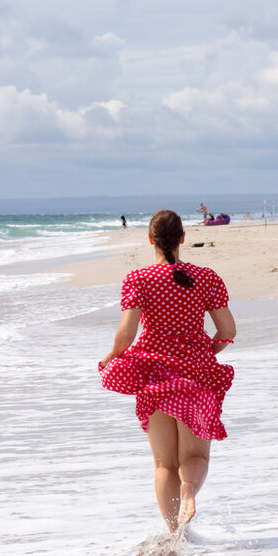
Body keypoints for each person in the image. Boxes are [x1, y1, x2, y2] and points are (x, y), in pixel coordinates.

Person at [98, 210, 236, 533]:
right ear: (183, 239)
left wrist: (111, 356)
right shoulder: (206, 278)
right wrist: (205, 353)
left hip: (154, 378)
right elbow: (227, 330)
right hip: (195, 379)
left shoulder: (138, 280)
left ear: (151, 240)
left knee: (164, 465)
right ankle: (189, 492)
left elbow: (127, 334)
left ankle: (175, 536)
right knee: (195, 459)